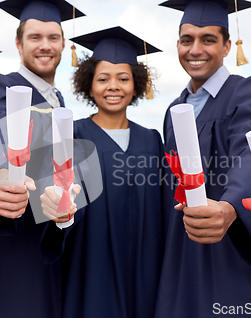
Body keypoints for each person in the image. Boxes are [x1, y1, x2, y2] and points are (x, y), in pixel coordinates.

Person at [155, 0, 251, 317]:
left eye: (208, 39)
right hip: (183, 244)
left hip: (228, 243)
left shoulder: (246, 92)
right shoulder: (174, 108)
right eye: (187, 40)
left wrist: (230, 206)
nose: (195, 49)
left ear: (227, 46)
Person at [0, 1, 85, 317]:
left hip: (50, 232)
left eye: (53, 37)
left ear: (64, 43)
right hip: (13, 244)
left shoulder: (58, 98)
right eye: (35, 37)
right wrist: (4, 174)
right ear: (19, 43)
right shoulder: (2, 84)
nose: (45, 46)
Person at [39, 26, 164, 318]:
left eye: (123, 78)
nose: (113, 86)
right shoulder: (71, 133)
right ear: (89, 84)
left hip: (147, 267)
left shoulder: (152, 139)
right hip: (92, 265)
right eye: (103, 78)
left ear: (136, 85)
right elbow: (60, 192)